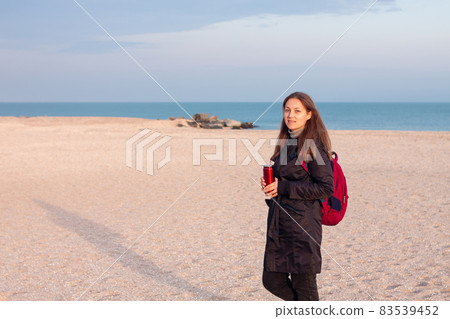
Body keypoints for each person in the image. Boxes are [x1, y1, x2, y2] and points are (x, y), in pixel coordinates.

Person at [260, 92, 334, 301]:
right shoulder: (288, 142)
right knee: (272, 280)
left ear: (309, 114)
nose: (290, 115)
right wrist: (272, 187)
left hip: (303, 228)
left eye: (297, 111)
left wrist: (283, 187)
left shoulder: (313, 145)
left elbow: (326, 187)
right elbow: (287, 181)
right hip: (280, 225)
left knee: (305, 289)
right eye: (287, 110)